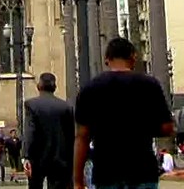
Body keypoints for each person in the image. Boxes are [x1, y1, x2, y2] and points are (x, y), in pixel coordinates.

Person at [74, 38, 174, 189]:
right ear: (133, 57)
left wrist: (78, 181)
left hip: (106, 173)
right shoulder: (150, 85)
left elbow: (82, 137)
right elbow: (167, 128)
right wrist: (143, 128)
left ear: (107, 59)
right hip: (143, 172)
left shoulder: (90, 89)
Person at [21, 72, 74, 189]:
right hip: (59, 157)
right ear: (54, 87)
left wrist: (26, 156)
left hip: (37, 157)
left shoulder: (31, 105)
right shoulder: (66, 107)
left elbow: (30, 131)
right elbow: (71, 136)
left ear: (39, 86)